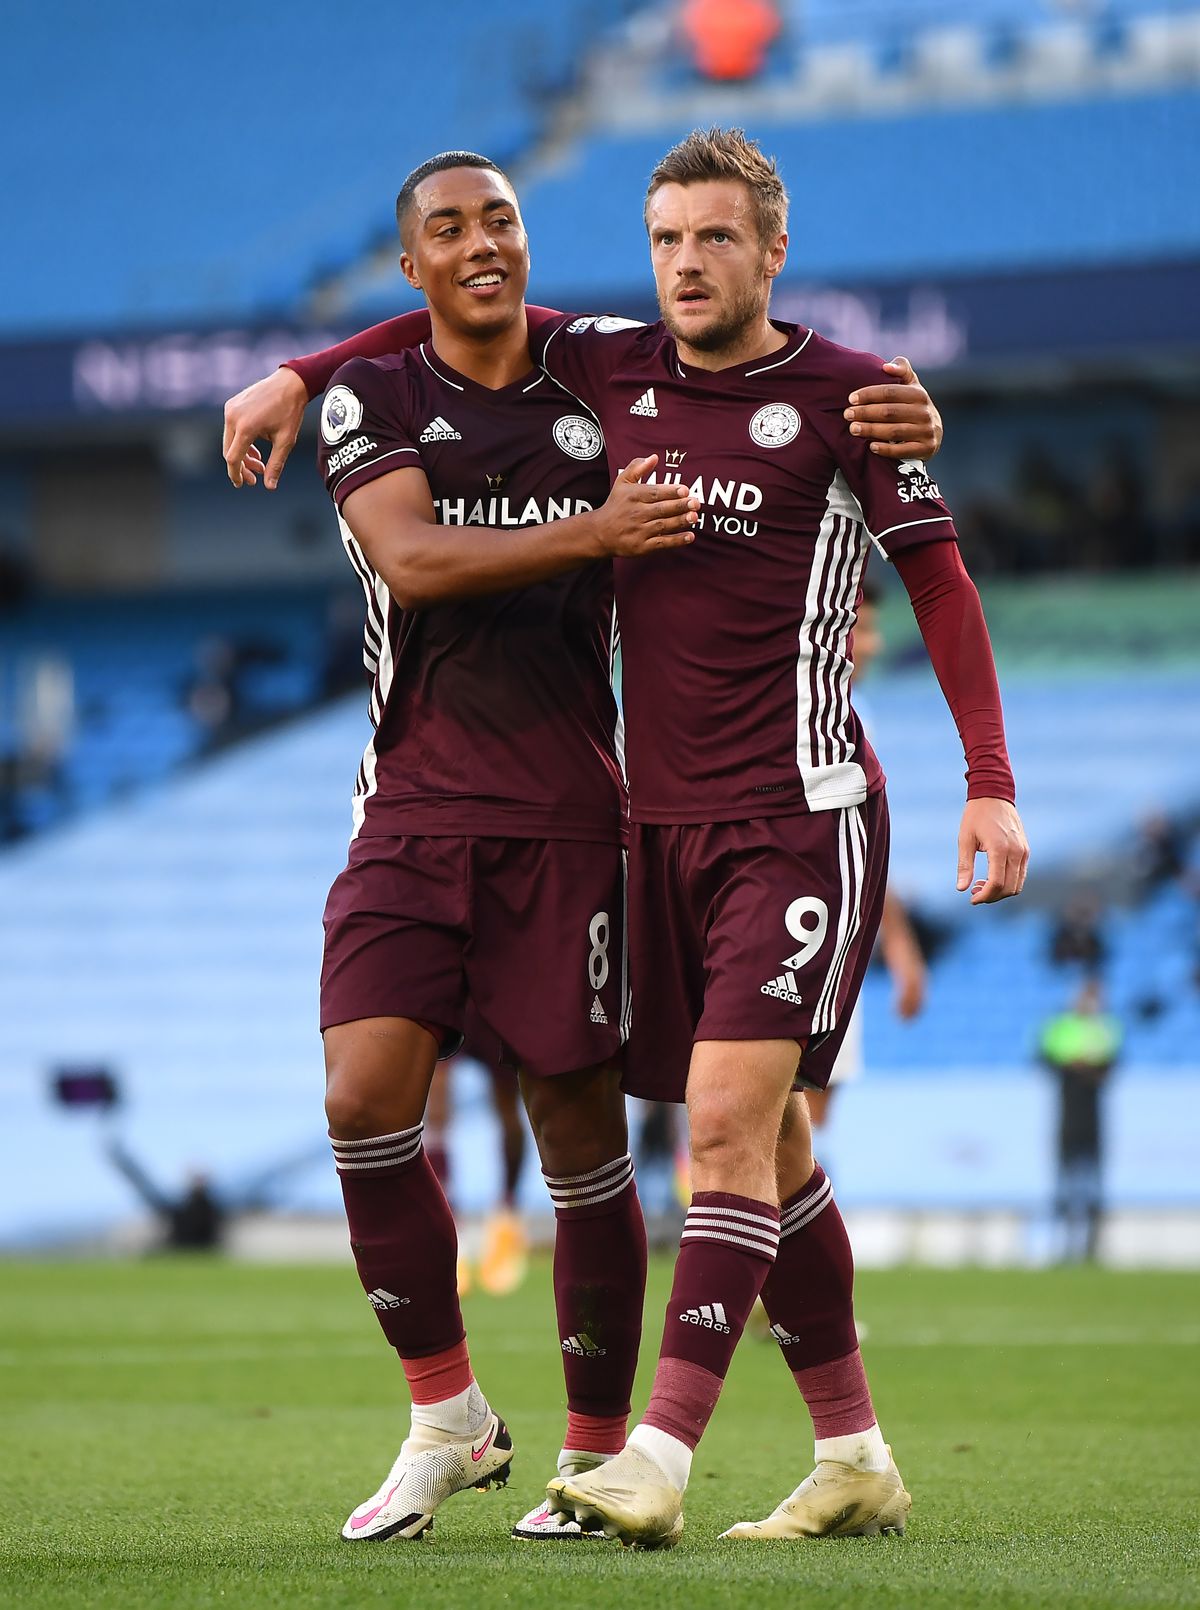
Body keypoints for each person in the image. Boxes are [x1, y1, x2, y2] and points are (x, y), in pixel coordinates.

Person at [222, 143, 952, 1546]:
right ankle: (447, 1413)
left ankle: (603, 1449)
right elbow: (416, 559)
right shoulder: (375, 394)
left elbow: (759, 361)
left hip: (577, 815)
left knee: (599, 1145)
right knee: (363, 1099)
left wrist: (884, 396)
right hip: (414, 808)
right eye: (451, 228)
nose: (484, 242)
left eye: (503, 217)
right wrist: (308, 372)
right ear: (410, 260)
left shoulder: (591, 368)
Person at [806, 577, 926, 1134]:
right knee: (766, 1116)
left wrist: (899, 945)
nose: (873, 644)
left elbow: (865, 843)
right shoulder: (788, 712)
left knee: (811, 1116)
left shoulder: (859, 718)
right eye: (863, 628)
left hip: (837, 936)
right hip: (788, 927)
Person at [1038, 980, 1121, 1263]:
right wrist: (1077, 1067)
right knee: (1064, 1187)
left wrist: (1083, 1068)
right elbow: (1044, 1060)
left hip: (1094, 1121)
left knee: (1092, 1187)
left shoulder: (1105, 1028)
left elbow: (1112, 1066)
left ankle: (1090, 1248)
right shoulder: (1061, 1027)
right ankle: (1061, 1247)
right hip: (1068, 1119)